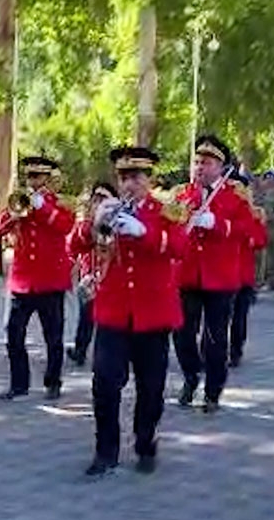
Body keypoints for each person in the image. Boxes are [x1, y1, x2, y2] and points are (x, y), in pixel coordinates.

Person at [70, 147, 188, 475]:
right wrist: (93, 222)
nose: (128, 185)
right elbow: (74, 246)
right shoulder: (107, 208)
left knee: (150, 388)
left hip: (153, 313)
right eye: (123, 178)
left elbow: (180, 248)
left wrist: (144, 232)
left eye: (136, 177)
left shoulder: (166, 212)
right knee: (105, 383)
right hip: (114, 311)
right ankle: (105, 451)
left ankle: (146, 443)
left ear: (149, 179)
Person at [172, 136, 253, 413]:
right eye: (196, 162)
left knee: (215, 338)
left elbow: (246, 230)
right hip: (187, 274)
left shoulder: (235, 196)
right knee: (182, 333)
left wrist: (217, 223)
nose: (199, 167)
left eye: (205, 163)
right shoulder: (182, 195)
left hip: (220, 277)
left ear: (220, 167)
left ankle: (212, 392)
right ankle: (191, 376)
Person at [0, 156, 75, 401]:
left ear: (48, 179)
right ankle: (19, 384)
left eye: (37, 177)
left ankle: (53, 382)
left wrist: (42, 207)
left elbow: (65, 226)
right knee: (13, 334)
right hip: (23, 281)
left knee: (53, 337)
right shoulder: (20, 201)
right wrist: (13, 215)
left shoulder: (61, 204)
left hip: (51, 280)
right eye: (29, 176)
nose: (33, 181)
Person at [66, 181, 118, 367]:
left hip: (112, 278)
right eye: (96, 198)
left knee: (112, 320)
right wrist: (92, 222)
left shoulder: (120, 220)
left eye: (103, 198)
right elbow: (75, 245)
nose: (99, 202)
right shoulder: (87, 222)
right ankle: (80, 350)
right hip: (90, 276)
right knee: (86, 317)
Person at [229, 172, 267, 368]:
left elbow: (259, 240)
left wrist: (245, 235)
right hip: (223, 274)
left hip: (243, 274)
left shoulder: (254, 213)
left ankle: (236, 350)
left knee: (239, 316)